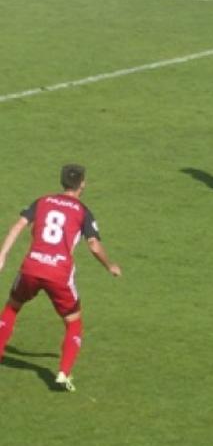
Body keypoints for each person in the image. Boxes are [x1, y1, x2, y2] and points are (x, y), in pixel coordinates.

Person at [0, 164, 122, 392]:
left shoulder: (42, 201)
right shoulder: (83, 211)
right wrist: (110, 266)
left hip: (31, 268)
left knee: (12, 308)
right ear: (82, 184)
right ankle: (63, 374)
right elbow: (94, 245)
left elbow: (18, 226)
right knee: (73, 323)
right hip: (59, 274)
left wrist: (2, 255)